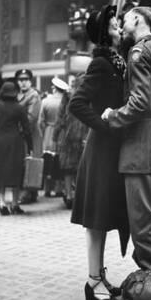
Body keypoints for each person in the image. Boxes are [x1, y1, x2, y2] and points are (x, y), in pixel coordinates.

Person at [102, 6, 151, 271]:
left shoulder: (138, 52)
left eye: (124, 20)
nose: (122, 26)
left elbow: (139, 103)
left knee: (144, 223)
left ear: (137, 19)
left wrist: (112, 115)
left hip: (142, 148)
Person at [69, 4, 129, 300]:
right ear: (104, 32)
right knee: (96, 220)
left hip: (110, 150)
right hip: (101, 150)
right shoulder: (101, 64)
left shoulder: (116, 61)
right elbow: (77, 104)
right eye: (115, 23)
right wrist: (104, 126)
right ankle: (93, 282)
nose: (119, 25)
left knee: (103, 217)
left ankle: (99, 275)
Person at [0, 81, 33, 215]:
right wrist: (30, 146)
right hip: (15, 142)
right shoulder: (19, 108)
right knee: (16, 171)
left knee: (1, 171)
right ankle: (14, 203)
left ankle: (2, 202)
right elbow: (26, 129)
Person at [53, 76, 89, 209]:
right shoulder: (88, 95)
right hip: (83, 135)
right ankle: (80, 196)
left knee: (68, 168)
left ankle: (69, 195)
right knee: (81, 168)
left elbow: (60, 117)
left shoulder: (67, 96)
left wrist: (56, 136)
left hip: (67, 136)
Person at [15, 69, 42, 204]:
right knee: (24, 162)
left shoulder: (33, 95)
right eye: (20, 80)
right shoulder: (17, 95)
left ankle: (29, 192)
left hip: (30, 133)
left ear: (30, 81)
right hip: (22, 133)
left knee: (32, 161)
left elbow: (31, 117)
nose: (23, 83)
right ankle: (29, 192)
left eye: (26, 80)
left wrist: (18, 128)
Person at [40, 77, 68, 197]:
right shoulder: (66, 102)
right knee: (59, 161)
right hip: (62, 133)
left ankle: (47, 189)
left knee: (47, 160)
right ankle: (58, 188)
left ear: (54, 88)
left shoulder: (46, 101)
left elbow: (40, 121)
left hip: (48, 132)